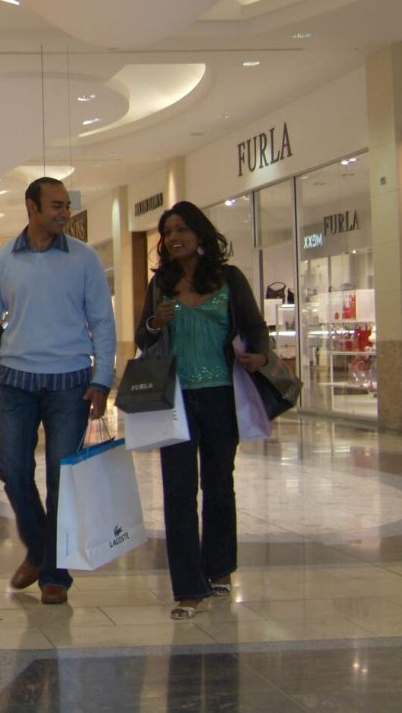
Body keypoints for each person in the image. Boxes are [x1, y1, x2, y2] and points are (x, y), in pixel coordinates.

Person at [0, 177, 116, 606]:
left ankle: (54, 574)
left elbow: (102, 320)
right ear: (32, 207)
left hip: (71, 382)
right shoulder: (2, 261)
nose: (65, 213)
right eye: (57, 206)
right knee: (10, 467)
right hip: (19, 381)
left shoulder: (84, 259)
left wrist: (103, 379)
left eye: (67, 206)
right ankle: (42, 548)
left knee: (62, 478)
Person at [134, 201, 269, 621]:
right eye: (167, 232)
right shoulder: (160, 284)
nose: (174, 238)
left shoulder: (228, 278)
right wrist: (156, 322)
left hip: (219, 395)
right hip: (173, 398)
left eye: (181, 230)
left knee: (218, 484)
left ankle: (218, 568)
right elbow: (143, 338)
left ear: (199, 233)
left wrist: (260, 357)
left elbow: (254, 328)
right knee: (177, 492)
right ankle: (187, 587)